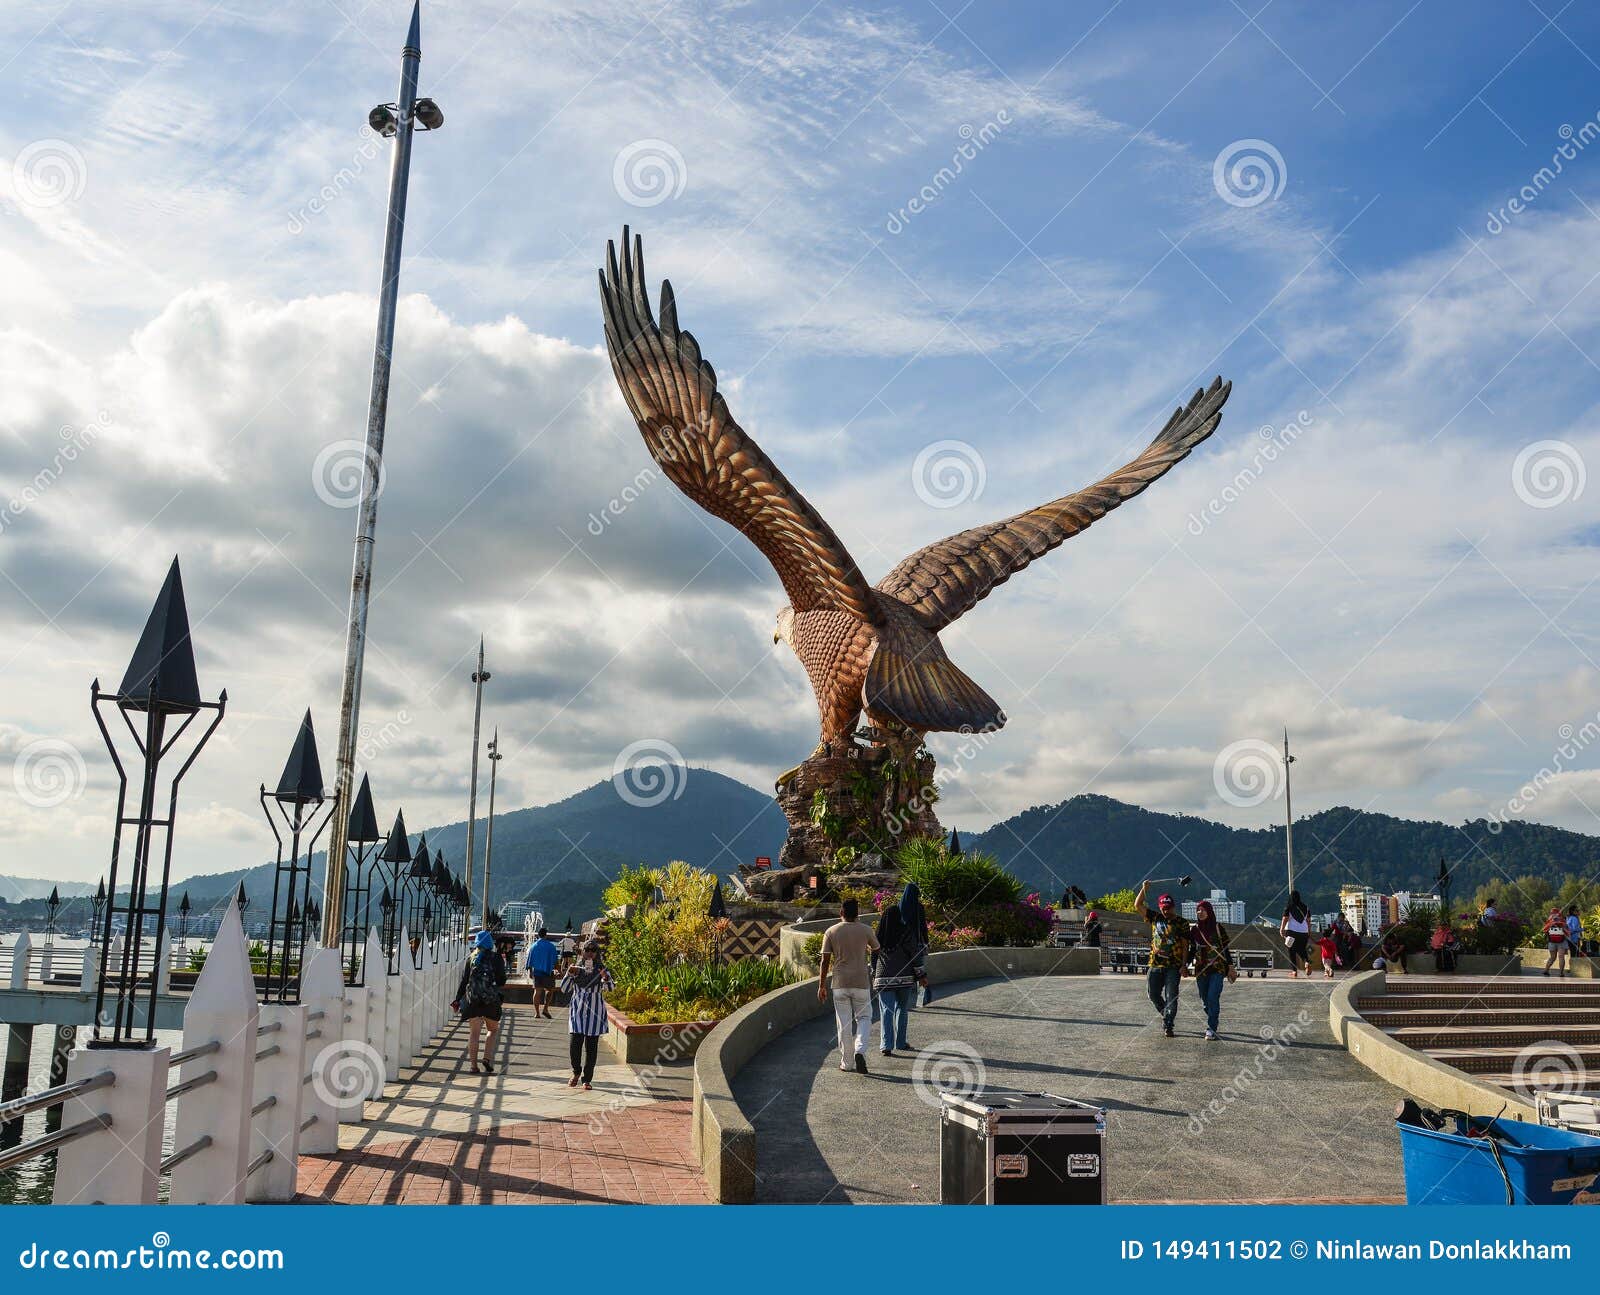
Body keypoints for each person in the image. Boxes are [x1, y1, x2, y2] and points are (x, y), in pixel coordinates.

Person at [817, 898, 879, 1073]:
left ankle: (847, 1063)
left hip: (839, 983)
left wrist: (821, 985)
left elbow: (824, 960)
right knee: (865, 1018)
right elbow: (877, 948)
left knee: (843, 1023)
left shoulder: (831, 931)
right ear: (857, 914)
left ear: (841, 913)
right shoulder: (866, 930)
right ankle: (860, 1050)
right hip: (861, 981)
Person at [1135, 880, 1189, 1038]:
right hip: (1155, 963)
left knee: (1172, 996)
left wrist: (1184, 964)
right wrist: (1143, 889)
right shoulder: (1155, 917)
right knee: (1153, 994)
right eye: (1163, 908)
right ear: (1159, 907)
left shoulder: (1182, 923)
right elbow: (1137, 905)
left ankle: (1169, 1024)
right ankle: (1167, 1014)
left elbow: (1186, 945)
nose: (1166, 911)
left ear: (1173, 907)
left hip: (1173, 965)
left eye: (1168, 908)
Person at [559, 939, 614, 1090]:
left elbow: (610, 988)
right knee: (574, 1045)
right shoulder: (576, 968)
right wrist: (570, 974)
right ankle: (576, 1071)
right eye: (587, 950)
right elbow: (564, 989)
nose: (590, 953)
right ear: (582, 952)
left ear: (597, 953)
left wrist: (604, 977)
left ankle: (587, 1079)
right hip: (577, 1012)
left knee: (592, 1048)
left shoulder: (602, 969)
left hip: (595, 1013)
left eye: (593, 950)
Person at [452, 929, 508, 1074]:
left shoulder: (471, 958)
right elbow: (502, 980)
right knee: (493, 1030)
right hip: (491, 1001)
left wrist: (458, 999)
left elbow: (464, 981)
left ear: (476, 943)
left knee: (474, 1033)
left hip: (473, 1001)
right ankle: (487, 1058)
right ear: (490, 944)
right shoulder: (496, 958)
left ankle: (473, 1066)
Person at [872, 904, 924, 1056]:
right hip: (905, 977)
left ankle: (886, 1045)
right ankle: (900, 1042)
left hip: (883, 978)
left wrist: (874, 973)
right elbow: (915, 954)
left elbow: (873, 956)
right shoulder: (906, 932)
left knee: (886, 1011)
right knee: (902, 1008)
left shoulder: (879, 934)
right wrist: (921, 974)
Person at [1187, 899, 1234, 1041]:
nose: (1200, 912)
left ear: (1209, 911)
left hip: (1218, 968)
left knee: (1213, 996)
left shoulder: (1218, 928)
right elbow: (1192, 949)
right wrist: (1184, 965)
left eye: (1203, 910)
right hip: (1201, 970)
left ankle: (1212, 1027)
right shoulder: (1194, 930)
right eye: (1198, 910)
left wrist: (1230, 966)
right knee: (1205, 1001)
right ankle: (1213, 1017)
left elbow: (1226, 950)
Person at [899, 882, 933, 1006]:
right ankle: (922, 1000)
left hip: (902, 947)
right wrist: (926, 942)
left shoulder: (900, 906)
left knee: (904, 973)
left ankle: (903, 1001)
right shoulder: (918, 907)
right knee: (921, 973)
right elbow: (923, 927)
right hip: (917, 945)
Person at [525, 926, 560, 1019]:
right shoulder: (551, 946)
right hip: (548, 972)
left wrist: (529, 971)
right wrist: (558, 970)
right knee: (550, 990)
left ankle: (537, 1013)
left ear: (538, 935)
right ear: (546, 935)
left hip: (537, 972)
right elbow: (555, 960)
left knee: (537, 991)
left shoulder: (534, 946)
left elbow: (529, 960)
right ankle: (545, 1008)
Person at [1280, 891, 1311, 977]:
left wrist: (1281, 929)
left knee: (1291, 951)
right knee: (1302, 949)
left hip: (1292, 931)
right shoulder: (1306, 907)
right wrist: (1308, 931)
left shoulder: (1289, 907)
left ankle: (1294, 971)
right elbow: (1308, 921)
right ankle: (1307, 962)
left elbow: (1285, 919)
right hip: (1304, 932)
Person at [1543, 907, 1570, 977]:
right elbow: (1567, 932)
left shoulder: (1549, 921)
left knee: (1552, 957)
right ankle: (1561, 973)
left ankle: (1546, 970)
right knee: (1561, 957)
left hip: (1551, 942)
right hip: (1562, 942)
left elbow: (1545, 930)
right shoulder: (1563, 920)